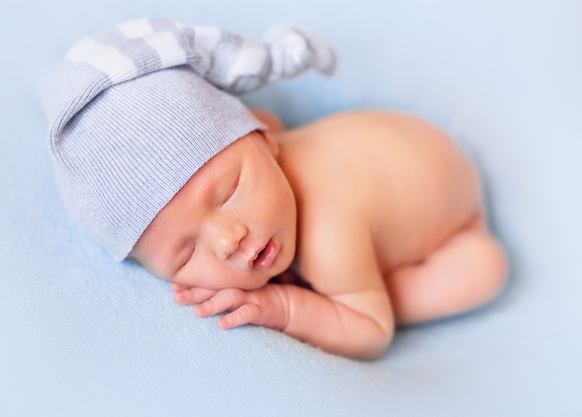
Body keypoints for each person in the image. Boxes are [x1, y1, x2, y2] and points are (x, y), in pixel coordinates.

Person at [44, 18, 507, 360]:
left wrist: (284, 305)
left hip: (455, 215)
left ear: (264, 136)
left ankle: (366, 285)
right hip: (403, 153)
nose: (228, 240)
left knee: (484, 268)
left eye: (228, 192)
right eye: (186, 255)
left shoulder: (329, 234)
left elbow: (371, 332)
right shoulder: (257, 147)